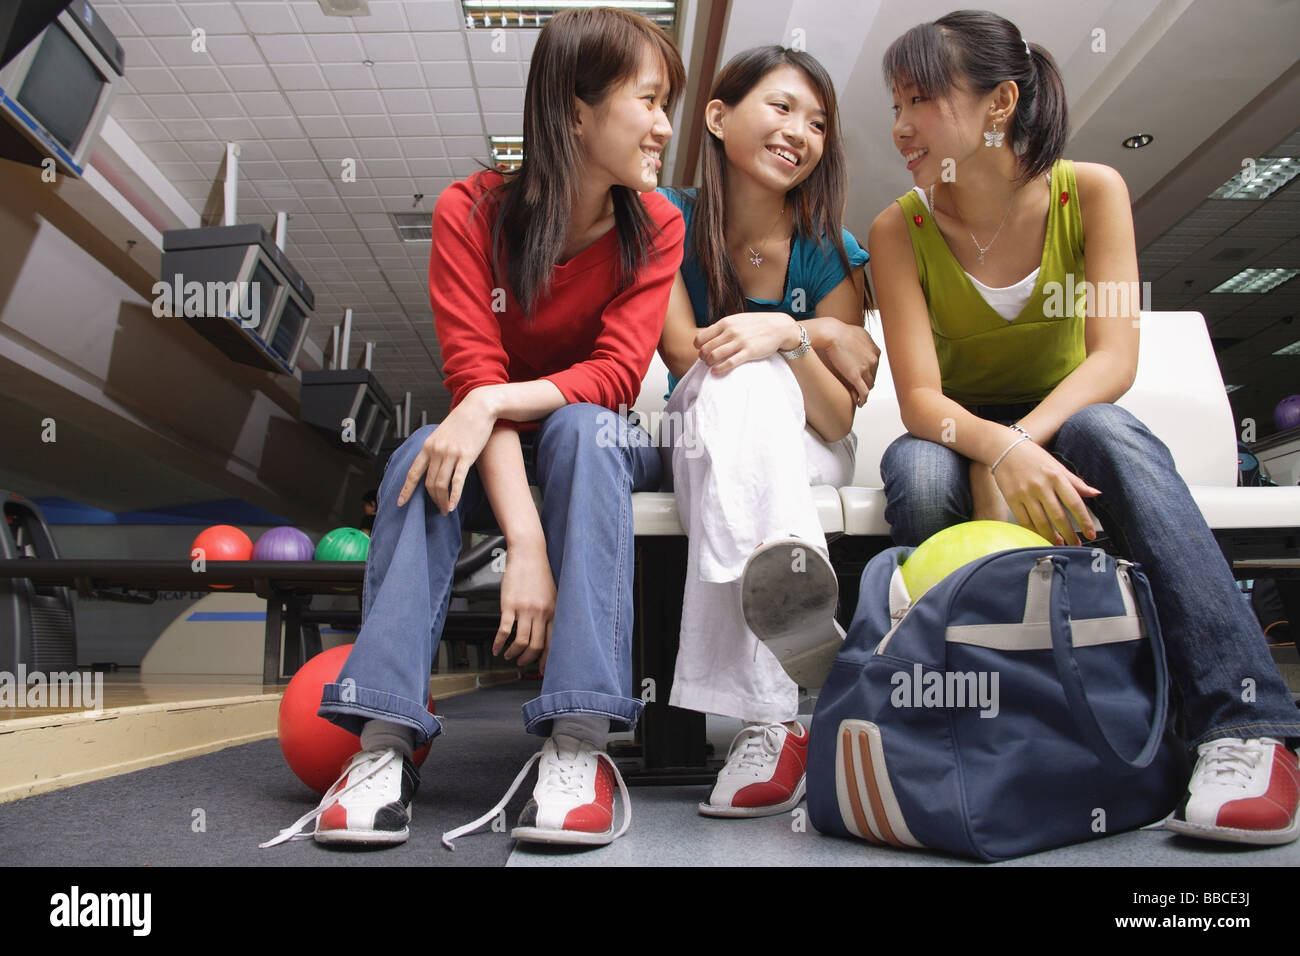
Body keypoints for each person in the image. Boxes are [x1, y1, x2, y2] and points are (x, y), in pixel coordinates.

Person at [869, 10, 1300, 845]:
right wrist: (996, 446)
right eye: (896, 103)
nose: (899, 127)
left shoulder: (1091, 191)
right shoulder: (900, 228)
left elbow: (1111, 359)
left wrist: (1026, 439)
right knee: (918, 472)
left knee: (1109, 433)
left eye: (919, 99)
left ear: (999, 102)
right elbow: (922, 400)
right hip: (958, 429)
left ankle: (1245, 727)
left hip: (1065, 411)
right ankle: (970, 719)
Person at [262, 7, 686, 850]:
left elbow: (610, 380)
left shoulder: (659, 225)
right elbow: (473, 383)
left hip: (592, 444)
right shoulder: (469, 211)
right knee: (423, 451)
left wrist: (493, 402)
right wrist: (525, 542)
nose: (665, 124)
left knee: (585, 430)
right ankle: (383, 745)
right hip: (498, 447)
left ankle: (580, 742)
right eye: (649, 99)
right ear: (576, 108)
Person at [656, 46, 880, 818]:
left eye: (818, 122)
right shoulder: (664, 222)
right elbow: (688, 353)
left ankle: (768, 721)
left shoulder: (831, 247)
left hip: (807, 442)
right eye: (781, 107)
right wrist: (786, 334)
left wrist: (784, 335)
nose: (801, 133)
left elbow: (836, 414)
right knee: (733, 383)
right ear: (718, 117)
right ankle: (787, 691)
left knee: (750, 387)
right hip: (705, 422)